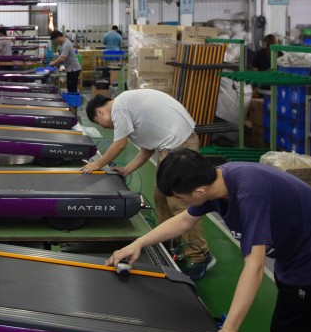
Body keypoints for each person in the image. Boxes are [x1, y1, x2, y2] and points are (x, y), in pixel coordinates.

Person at [108, 150, 311, 332]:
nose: (181, 202)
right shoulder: (217, 182)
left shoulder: (249, 194)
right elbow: (184, 220)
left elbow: (255, 266)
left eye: (181, 197)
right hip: (292, 251)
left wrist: (232, 327)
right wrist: (137, 243)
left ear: (199, 192)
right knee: (290, 329)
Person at [82, 91, 214, 280]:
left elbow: (119, 145)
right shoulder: (130, 109)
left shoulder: (119, 107)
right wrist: (127, 169)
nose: (106, 127)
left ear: (100, 112)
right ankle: (170, 242)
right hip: (171, 144)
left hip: (179, 144)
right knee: (160, 196)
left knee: (179, 202)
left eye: (99, 123)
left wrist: (96, 164)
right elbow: (147, 149)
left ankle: (200, 256)